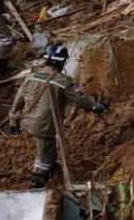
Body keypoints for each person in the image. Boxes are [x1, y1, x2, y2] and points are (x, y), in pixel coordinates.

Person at [8, 43, 106, 188]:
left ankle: (51, 167)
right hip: (45, 125)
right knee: (44, 151)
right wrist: (95, 107)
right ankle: (38, 180)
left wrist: (13, 123)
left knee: (48, 146)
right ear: (61, 62)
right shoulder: (61, 81)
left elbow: (17, 102)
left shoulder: (31, 76)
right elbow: (79, 99)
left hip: (28, 121)